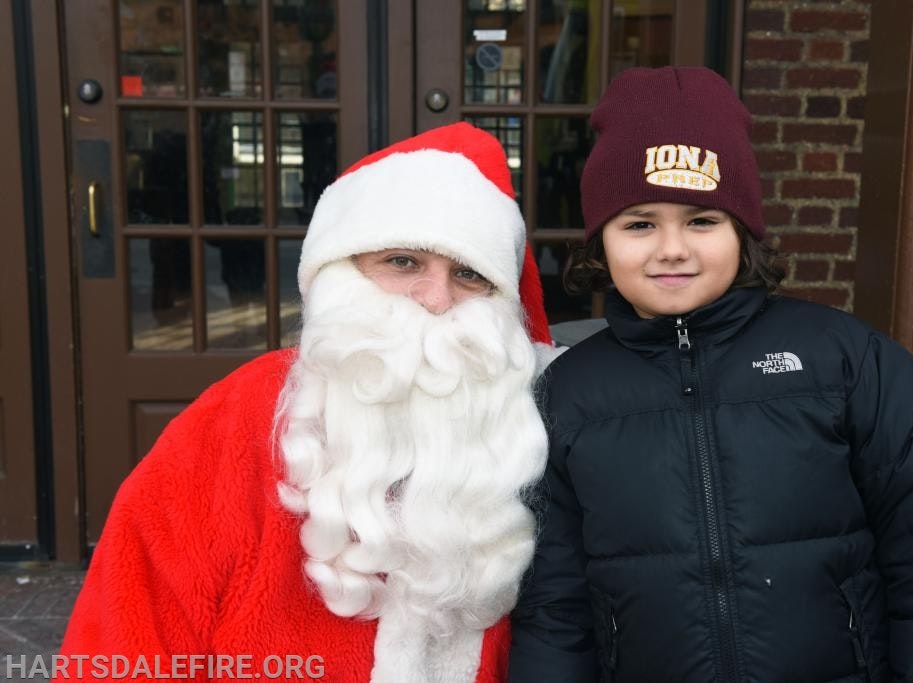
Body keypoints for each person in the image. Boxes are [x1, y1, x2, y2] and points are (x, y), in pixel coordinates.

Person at [508, 67, 913, 682]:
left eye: (702, 220)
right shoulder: (568, 394)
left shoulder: (849, 363)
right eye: (639, 223)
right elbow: (556, 610)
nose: (672, 248)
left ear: (742, 231)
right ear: (599, 241)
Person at [59, 122, 558, 683]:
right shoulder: (233, 421)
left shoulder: (530, 429)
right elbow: (129, 631)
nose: (436, 301)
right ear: (341, 273)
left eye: (469, 274)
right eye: (403, 262)